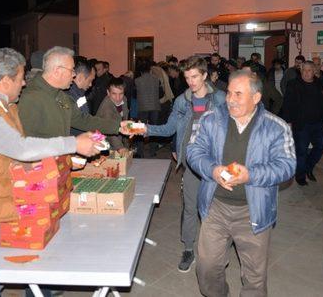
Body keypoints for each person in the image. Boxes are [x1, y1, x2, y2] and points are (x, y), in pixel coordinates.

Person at [0, 48, 100, 294]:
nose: (24, 83)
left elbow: (7, 154)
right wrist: (73, 143)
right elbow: (20, 147)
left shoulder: (5, 108)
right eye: (20, 78)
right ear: (6, 81)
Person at [187, 70, 296, 297]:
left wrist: (251, 175)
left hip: (253, 212)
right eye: (228, 93)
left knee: (254, 277)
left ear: (256, 98)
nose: (230, 99)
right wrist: (212, 170)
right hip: (215, 206)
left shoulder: (276, 127)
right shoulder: (211, 119)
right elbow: (194, 151)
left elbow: (287, 166)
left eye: (238, 94)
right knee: (207, 268)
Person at [144, 56, 227, 273]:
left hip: (215, 163)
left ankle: (215, 251)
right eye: (187, 77)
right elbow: (169, 129)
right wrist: (143, 129)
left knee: (214, 210)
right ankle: (189, 249)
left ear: (205, 75)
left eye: (195, 77)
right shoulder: (182, 101)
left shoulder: (220, 99)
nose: (191, 81)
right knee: (190, 208)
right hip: (191, 163)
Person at [18, 46, 131, 140]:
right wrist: (73, 146)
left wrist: (119, 126)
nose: (74, 75)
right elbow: (27, 141)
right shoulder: (31, 97)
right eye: (71, 70)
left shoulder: (60, 95)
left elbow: (82, 120)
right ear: (58, 71)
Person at [282, 61, 323, 186]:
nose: (306, 73)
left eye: (309, 70)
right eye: (304, 70)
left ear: (314, 71)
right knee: (301, 151)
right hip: (301, 124)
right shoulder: (293, 84)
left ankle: (308, 167)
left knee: (321, 146)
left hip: (318, 123)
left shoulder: (319, 83)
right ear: (300, 71)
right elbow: (287, 104)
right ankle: (300, 176)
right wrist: (288, 121)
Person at [96, 78, 130, 151]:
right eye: (114, 94)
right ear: (108, 92)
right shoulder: (106, 108)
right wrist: (120, 147)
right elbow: (110, 133)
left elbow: (124, 120)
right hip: (103, 143)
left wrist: (126, 145)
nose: (118, 98)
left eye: (121, 93)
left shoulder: (124, 99)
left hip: (118, 137)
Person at [66, 56, 96, 136]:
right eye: (90, 80)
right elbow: (79, 123)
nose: (90, 85)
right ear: (80, 77)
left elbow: (86, 116)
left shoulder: (80, 93)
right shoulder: (69, 95)